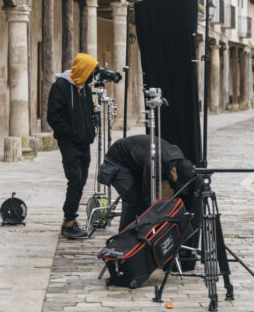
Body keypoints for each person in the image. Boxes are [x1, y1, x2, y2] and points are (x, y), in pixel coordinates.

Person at [47, 52, 99, 239]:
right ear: (82, 69)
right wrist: (72, 133)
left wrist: (90, 130)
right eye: (90, 71)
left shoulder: (84, 87)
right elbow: (54, 116)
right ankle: (69, 221)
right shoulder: (60, 86)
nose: (92, 75)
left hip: (83, 141)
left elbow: (88, 111)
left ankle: (68, 220)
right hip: (68, 141)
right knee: (75, 179)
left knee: (82, 179)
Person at [98, 135, 196, 230]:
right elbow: (147, 198)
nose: (176, 183)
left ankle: (136, 229)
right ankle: (125, 235)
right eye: (177, 180)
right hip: (117, 161)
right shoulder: (154, 166)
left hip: (136, 160)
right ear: (174, 170)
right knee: (133, 199)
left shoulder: (179, 159)